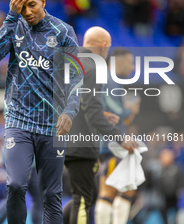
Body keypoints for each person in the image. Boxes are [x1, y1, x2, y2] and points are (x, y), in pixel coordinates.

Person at [0, 0, 82, 224]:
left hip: (52, 125)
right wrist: (10, 16)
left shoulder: (63, 32)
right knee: (16, 185)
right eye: (22, 6)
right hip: (19, 122)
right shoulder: (14, 26)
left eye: (32, 5)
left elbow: (77, 78)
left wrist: (70, 111)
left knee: (51, 195)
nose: (27, 12)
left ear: (43, 2)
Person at [63, 27, 137, 224]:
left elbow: (73, 102)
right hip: (82, 143)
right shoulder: (94, 66)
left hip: (63, 139)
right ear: (103, 46)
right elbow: (93, 111)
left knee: (89, 193)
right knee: (84, 197)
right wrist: (120, 138)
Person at [95, 47, 141, 224]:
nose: (132, 67)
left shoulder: (106, 80)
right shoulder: (109, 80)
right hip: (112, 146)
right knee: (120, 190)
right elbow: (111, 110)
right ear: (119, 61)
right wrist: (129, 108)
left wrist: (127, 115)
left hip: (107, 144)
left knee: (112, 191)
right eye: (130, 62)